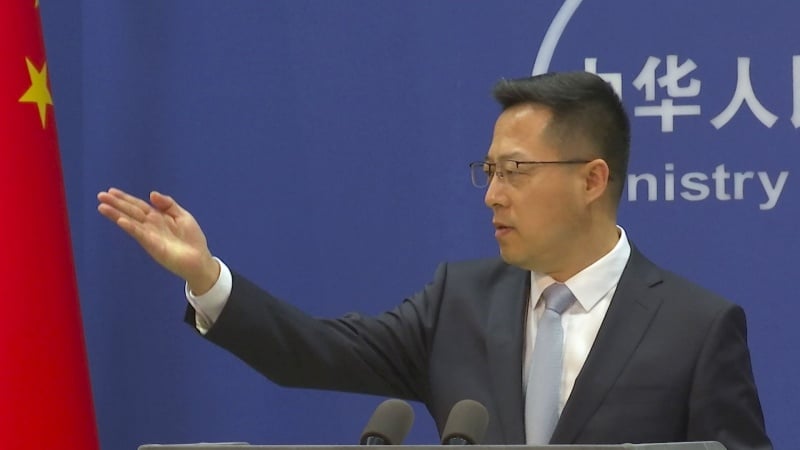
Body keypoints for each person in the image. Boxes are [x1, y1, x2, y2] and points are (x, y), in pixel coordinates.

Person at [97, 72, 772, 449]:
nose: (493, 195)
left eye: (515, 171)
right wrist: (206, 278)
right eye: (489, 170)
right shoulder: (461, 302)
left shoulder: (695, 328)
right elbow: (313, 352)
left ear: (592, 180)